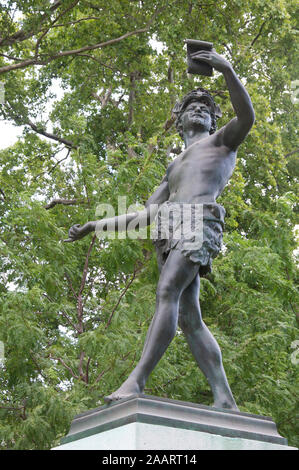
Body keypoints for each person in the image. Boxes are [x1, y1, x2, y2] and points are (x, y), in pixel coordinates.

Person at [65, 49, 255, 410]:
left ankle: (136, 381)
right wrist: (94, 225)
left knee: (166, 290)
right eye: (190, 107)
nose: (198, 108)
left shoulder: (221, 143)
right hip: (170, 229)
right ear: (179, 121)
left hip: (200, 220)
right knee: (189, 317)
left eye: (206, 107)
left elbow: (247, 116)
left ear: (215, 122)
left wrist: (227, 70)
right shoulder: (172, 168)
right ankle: (224, 398)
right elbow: (143, 216)